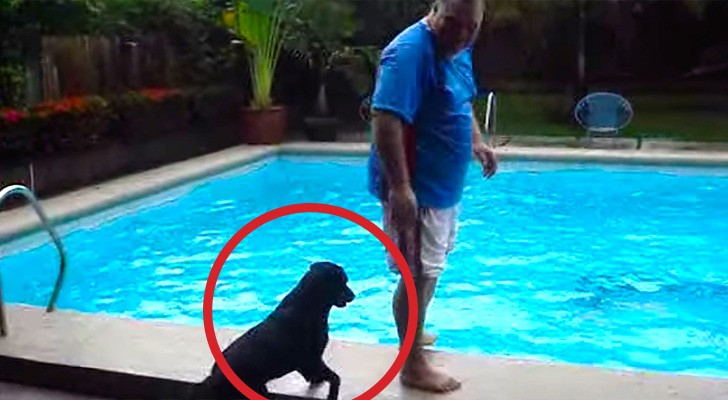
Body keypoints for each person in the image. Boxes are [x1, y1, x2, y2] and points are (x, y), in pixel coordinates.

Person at [366, 0, 497, 394]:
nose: (460, 34)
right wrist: (402, 188)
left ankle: (415, 330)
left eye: (470, 27)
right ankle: (412, 366)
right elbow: (386, 121)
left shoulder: (458, 47)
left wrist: (476, 141)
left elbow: (460, 99)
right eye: (451, 23)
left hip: (442, 188)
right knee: (416, 275)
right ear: (434, 8)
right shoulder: (407, 54)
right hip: (416, 189)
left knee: (429, 270)